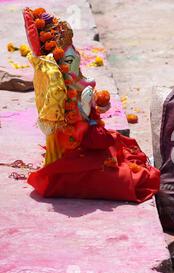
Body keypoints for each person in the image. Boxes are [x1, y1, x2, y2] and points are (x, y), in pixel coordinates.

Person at [23, 7, 159, 202]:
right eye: (70, 61)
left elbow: (82, 90)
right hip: (70, 158)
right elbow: (68, 136)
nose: (76, 67)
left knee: (121, 157)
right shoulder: (53, 84)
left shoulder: (68, 73)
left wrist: (94, 105)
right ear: (56, 67)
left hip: (87, 146)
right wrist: (85, 111)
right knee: (126, 180)